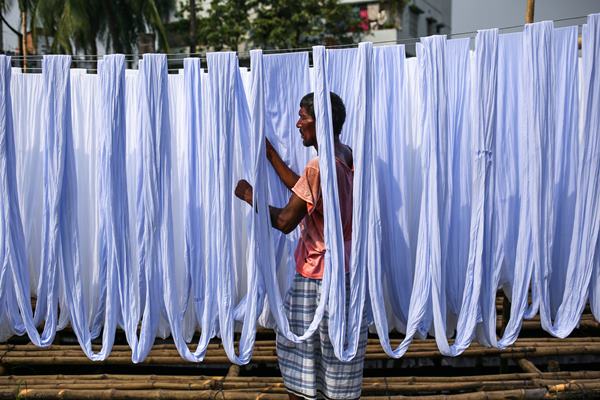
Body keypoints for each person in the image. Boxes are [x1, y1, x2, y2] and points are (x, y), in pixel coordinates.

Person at [234, 92, 368, 400]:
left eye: (303, 118)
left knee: (300, 354)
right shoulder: (345, 156)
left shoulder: (318, 167)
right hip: (346, 273)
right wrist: (272, 157)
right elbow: (308, 191)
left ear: (319, 122)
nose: (297, 124)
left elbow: (285, 221)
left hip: (316, 277)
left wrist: (249, 195)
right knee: (337, 353)